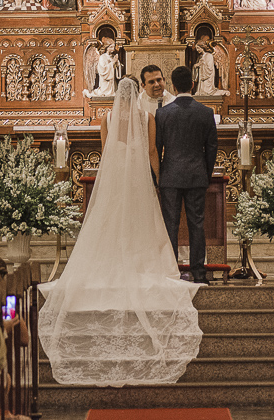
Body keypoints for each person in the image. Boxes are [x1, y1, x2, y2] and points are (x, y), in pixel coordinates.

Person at [37, 77, 202, 386]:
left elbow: (106, 151)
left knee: (110, 225)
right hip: (138, 180)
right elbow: (152, 151)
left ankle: (109, 265)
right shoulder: (147, 117)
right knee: (141, 226)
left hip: (115, 180)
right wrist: (155, 179)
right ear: (138, 93)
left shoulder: (108, 117)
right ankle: (140, 264)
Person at [155, 65, 219, 284]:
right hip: (196, 174)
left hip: (170, 176)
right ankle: (199, 272)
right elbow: (212, 148)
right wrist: (205, 173)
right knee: (196, 224)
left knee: (170, 225)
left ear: (172, 86)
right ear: (192, 84)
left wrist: (159, 175)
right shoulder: (206, 112)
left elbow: (157, 147)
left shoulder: (163, 113)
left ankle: (171, 272)